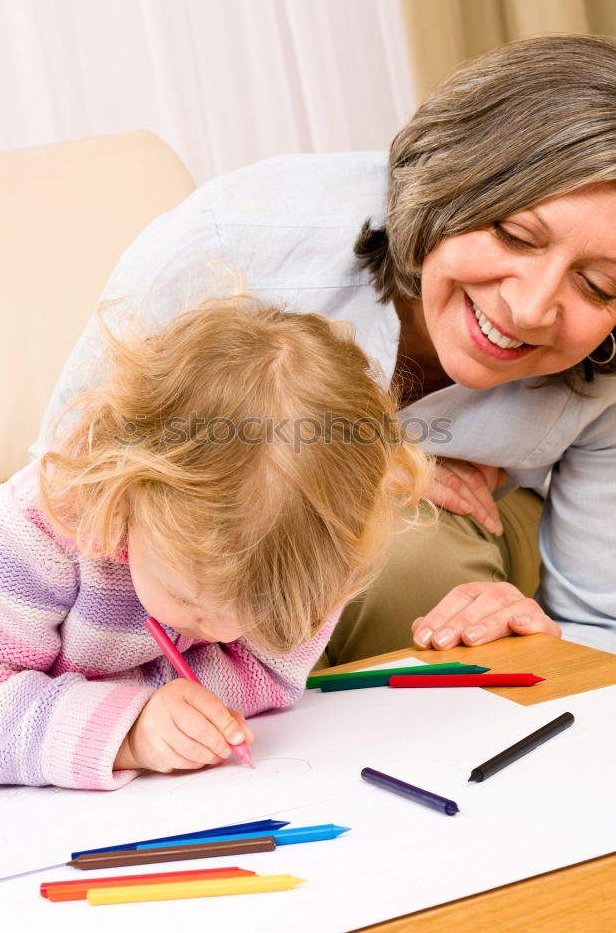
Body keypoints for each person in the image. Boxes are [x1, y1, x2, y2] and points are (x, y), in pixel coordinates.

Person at [35, 33, 616, 659]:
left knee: (424, 559)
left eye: (598, 285)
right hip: (194, 571)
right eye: (515, 236)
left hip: (482, 538)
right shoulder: (234, 242)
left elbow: (596, 617)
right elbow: (66, 494)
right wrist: (363, 467)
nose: (529, 308)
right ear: (453, 185)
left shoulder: (602, 368)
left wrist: (531, 629)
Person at [0, 295, 429, 795]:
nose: (229, 631)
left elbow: (270, 675)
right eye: (189, 600)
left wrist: (163, 717)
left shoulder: (320, 551)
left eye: (261, 615)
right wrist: (132, 731)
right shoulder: (37, 529)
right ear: (128, 495)